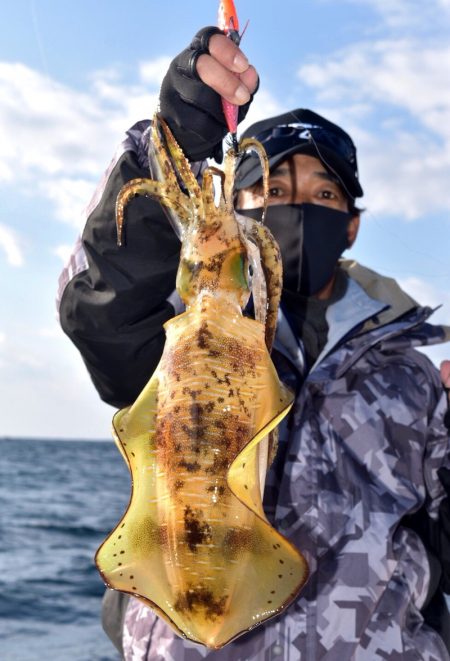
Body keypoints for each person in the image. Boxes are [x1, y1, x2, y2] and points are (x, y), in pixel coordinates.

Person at [57, 27, 450, 661]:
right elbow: (102, 305)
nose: (295, 207)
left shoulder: (416, 377)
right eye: (269, 191)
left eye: (324, 194)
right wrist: (173, 143)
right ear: (236, 206)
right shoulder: (173, 335)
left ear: (351, 225)